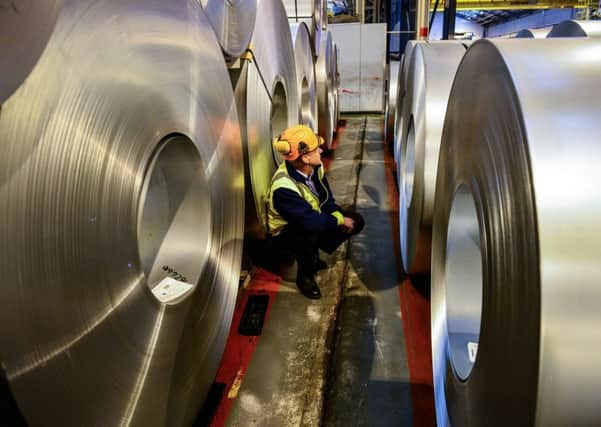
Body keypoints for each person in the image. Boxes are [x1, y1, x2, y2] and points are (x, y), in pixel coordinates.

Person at [263, 125, 364, 299]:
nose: (321, 150)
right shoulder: (284, 189)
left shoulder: (314, 168)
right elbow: (309, 222)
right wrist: (339, 222)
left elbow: (326, 200)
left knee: (356, 220)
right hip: (282, 238)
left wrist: (339, 216)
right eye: (316, 148)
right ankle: (305, 276)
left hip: (308, 221)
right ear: (306, 157)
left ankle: (314, 253)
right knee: (308, 232)